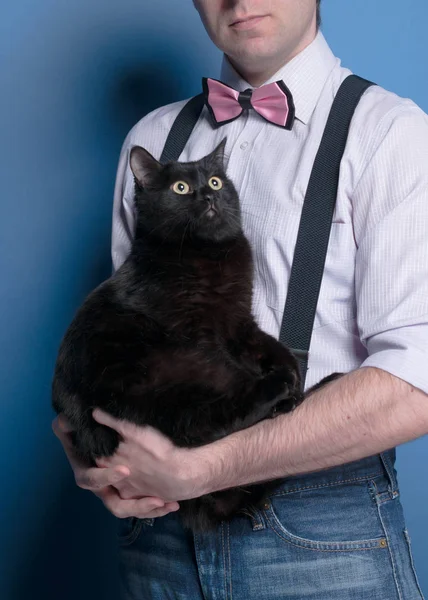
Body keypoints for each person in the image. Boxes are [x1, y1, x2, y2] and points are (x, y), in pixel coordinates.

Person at [53, 1, 428, 598]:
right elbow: (128, 337)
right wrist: (88, 451)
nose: (241, 1)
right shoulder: (153, 138)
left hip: (317, 527)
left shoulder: (388, 131)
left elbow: (418, 376)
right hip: (158, 530)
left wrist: (206, 468)